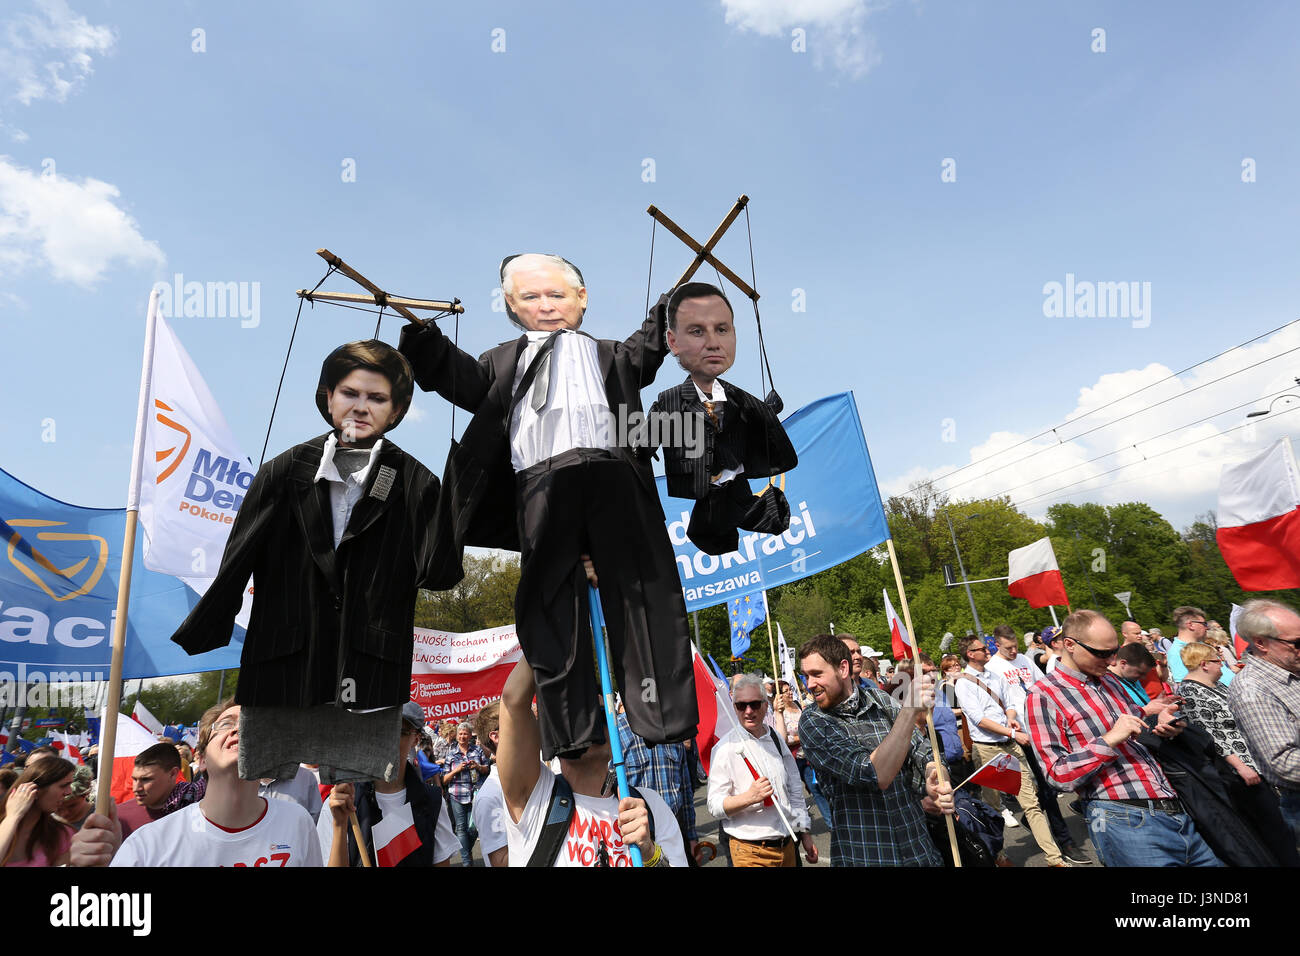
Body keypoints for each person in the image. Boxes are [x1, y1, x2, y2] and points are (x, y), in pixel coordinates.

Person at [399, 254, 696, 761]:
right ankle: (573, 728)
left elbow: (650, 344)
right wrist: (426, 341)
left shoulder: (611, 355)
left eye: (557, 294)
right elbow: (463, 381)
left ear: (582, 299)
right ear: (512, 307)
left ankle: (663, 711)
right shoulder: (502, 361)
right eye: (531, 297)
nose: (546, 305)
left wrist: (670, 305)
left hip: (614, 473)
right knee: (550, 599)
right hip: (539, 484)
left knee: (643, 586)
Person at [170, 340, 453, 784]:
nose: (361, 408)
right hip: (285, 664)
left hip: (370, 671)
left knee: (355, 786)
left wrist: (459, 494)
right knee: (270, 781)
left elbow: (440, 574)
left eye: (376, 398)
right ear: (328, 397)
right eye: (350, 393)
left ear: (396, 411)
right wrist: (211, 621)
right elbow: (238, 555)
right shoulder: (282, 472)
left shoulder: (417, 484)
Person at [1025, 609, 1221, 867]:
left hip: (1176, 805)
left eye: (1114, 651)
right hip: (1122, 816)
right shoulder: (1042, 696)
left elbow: (1137, 727)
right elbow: (1057, 775)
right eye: (1103, 653)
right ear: (1070, 645)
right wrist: (1108, 740)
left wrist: (1160, 724)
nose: (1112, 660)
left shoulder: (1110, 681)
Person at [648, 281, 796, 555]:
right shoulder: (669, 401)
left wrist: (770, 408)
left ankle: (743, 518)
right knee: (715, 528)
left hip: (732, 482)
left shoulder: (737, 398)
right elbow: (646, 441)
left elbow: (757, 415)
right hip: (712, 486)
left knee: (756, 517)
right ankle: (723, 530)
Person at [498, 654, 687, 867]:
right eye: (579, 719)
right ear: (554, 732)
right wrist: (555, 628)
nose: (592, 727)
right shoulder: (535, 800)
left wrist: (650, 855)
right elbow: (513, 702)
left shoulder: (649, 806)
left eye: (601, 715)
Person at [796, 634, 953, 867]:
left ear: (842, 668)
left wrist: (935, 774)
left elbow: (923, 750)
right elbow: (874, 773)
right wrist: (909, 711)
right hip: (867, 856)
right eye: (806, 676)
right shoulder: (813, 723)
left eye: (817, 674)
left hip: (920, 851)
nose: (809, 684)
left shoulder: (878, 698)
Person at [952, 636, 1066, 867]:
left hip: (1010, 745)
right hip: (987, 750)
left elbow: (1011, 702)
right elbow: (979, 719)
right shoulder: (963, 682)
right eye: (982, 649)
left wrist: (1011, 719)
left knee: (1031, 803)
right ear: (970, 654)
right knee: (993, 808)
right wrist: (1012, 732)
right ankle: (999, 855)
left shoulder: (994, 675)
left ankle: (1055, 859)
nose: (988, 650)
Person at [320, 701, 458, 867]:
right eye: (378, 729)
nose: (387, 739)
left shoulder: (432, 801)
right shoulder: (341, 803)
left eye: (400, 731)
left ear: (416, 739)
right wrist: (340, 826)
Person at [706, 674, 816, 867]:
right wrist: (749, 797)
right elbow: (714, 806)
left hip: (787, 845)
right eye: (741, 705)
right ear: (734, 707)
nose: (748, 711)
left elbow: (795, 792)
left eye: (755, 704)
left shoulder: (775, 738)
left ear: (766, 705)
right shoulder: (724, 748)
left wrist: (804, 833)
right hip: (751, 852)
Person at [1227, 599, 1300, 844]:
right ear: (1261, 643)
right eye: (1296, 643)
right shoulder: (1252, 689)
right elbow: (1284, 762)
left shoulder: (1292, 667)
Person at [615, 702, 700, 864]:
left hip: (677, 829)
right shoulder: (616, 733)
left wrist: (691, 836)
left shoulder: (673, 730)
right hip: (642, 836)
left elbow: (685, 788)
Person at [1177, 642, 1261, 786]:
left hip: (1254, 758)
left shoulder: (1217, 684)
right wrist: (1241, 766)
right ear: (1204, 664)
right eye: (1218, 660)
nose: (1222, 664)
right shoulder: (1190, 692)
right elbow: (1209, 735)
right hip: (1238, 769)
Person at [0, 757, 74, 866]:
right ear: (35, 789)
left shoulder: (62, 834)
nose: (69, 792)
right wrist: (13, 817)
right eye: (63, 785)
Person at [442, 721, 490, 866]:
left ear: (470, 736)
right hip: (457, 794)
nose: (462, 736)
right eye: (460, 734)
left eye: (465, 734)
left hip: (475, 793)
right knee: (461, 828)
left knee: (474, 828)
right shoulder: (451, 755)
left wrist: (478, 766)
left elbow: (487, 770)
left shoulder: (477, 751)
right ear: (457, 736)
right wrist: (456, 770)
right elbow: (444, 779)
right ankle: (467, 862)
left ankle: (466, 851)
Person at [117, 742, 188, 839]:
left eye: (146, 779)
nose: (136, 788)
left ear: (172, 774)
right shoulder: (119, 816)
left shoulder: (196, 815)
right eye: (134, 779)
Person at [470, 701, 508, 867]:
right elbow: (500, 861)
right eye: (521, 720)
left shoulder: (542, 774)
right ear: (496, 736)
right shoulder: (490, 797)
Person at [1164, 606, 1210, 683]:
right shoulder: (1177, 652)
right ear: (1190, 625)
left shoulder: (1203, 645)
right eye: (1204, 624)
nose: (1207, 628)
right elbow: (1185, 685)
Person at [53, 766, 95, 832]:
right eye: (58, 807)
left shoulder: (102, 814)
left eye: (72, 806)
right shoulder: (45, 821)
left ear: (85, 794)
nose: (64, 814)